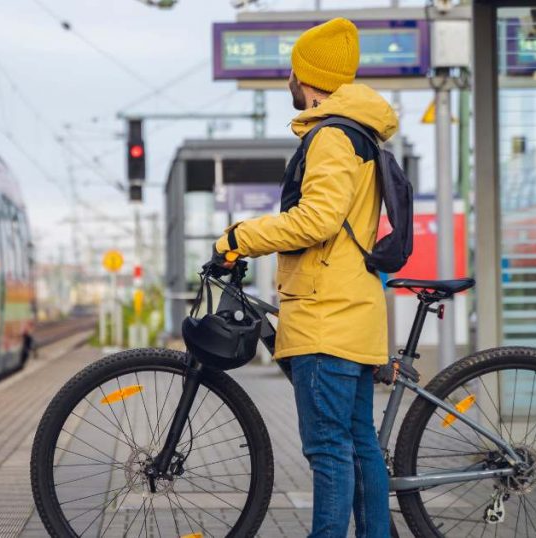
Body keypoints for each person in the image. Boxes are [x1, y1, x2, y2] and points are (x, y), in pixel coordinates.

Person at [210, 17, 397, 538]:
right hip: (350, 314)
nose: (289, 82)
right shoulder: (359, 134)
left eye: (293, 73)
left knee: (330, 452)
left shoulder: (332, 137)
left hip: (325, 318)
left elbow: (317, 220)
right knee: (360, 446)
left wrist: (237, 238)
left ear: (307, 78)